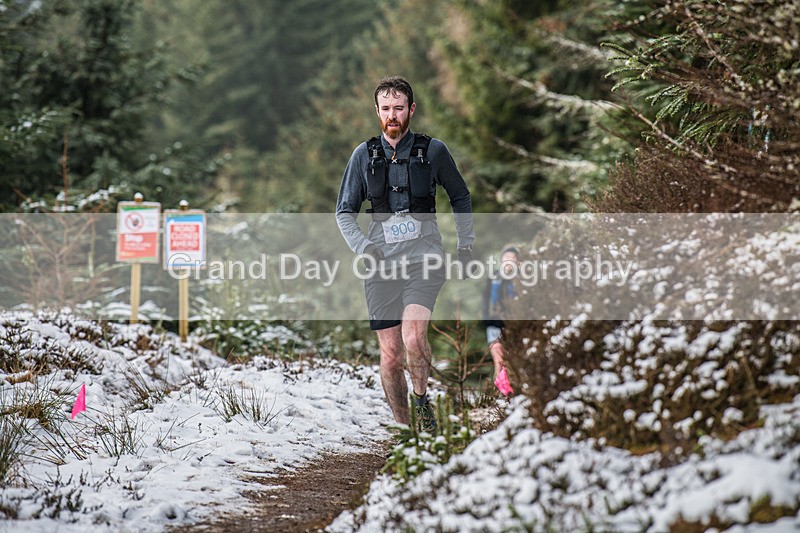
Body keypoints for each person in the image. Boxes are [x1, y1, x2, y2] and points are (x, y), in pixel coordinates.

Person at [336, 76, 474, 433]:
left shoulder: (433, 151)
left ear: (411, 109)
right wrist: (364, 248)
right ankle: (403, 430)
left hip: (424, 260)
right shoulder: (363, 156)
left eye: (399, 108)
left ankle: (422, 400)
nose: (392, 116)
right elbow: (344, 212)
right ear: (377, 112)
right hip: (380, 264)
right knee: (392, 355)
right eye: (386, 109)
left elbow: (460, 196)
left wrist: (465, 244)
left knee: (414, 338)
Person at [482, 244, 519, 397]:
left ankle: (511, 392)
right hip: (494, 323)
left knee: (512, 360)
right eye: (506, 257)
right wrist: (485, 319)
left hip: (513, 324)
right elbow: (485, 299)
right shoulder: (494, 277)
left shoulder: (521, 279)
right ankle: (501, 393)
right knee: (499, 360)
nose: (509, 260)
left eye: (512, 258)